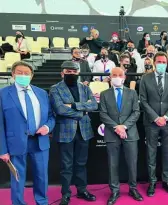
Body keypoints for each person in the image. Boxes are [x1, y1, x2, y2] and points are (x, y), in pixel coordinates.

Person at [0, 61, 55, 205]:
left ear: (32, 76)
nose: (23, 75)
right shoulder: (3, 94)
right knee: (18, 177)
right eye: (19, 72)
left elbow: (51, 116)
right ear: (13, 74)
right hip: (15, 142)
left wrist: (47, 127)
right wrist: (2, 150)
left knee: (41, 176)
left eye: (26, 73)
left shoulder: (42, 93)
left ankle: (42, 201)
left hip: (40, 141)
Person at [49, 61, 98, 205]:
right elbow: (60, 109)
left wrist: (75, 106)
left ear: (78, 73)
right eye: (68, 71)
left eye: (74, 71)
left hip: (84, 131)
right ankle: (66, 194)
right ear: (62, 73)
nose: (71, 74)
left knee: (81, 163)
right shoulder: (55, 89)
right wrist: (82, 111)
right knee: (66, 165)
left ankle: (82, 190)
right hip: (65, 131)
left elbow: (94, 105)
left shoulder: (84, 88)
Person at [99, 67, 143, 204]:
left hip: (130, 133)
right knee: (113, 164)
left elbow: (136, 112)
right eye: (114, 75)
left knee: (132, 163)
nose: (117, 77)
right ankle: (115, 191)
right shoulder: (104, 94)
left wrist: (123, 126)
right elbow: (103, 114)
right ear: (110, 77)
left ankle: (133, 188)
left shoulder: (132, 93)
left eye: (120, 75)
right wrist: (116, 127)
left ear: (124, 77)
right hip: (112, 134)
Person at [139, 52, 168, 197]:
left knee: (167, 152)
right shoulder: (145, 78)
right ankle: (152, 181)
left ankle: (167, 181)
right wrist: (156, 117)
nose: (161, 64)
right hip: (151, 122)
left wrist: (166, 117)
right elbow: (143, 100)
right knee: (151, 153)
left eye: (164, 62)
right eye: (159, 61)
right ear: (154, 62)